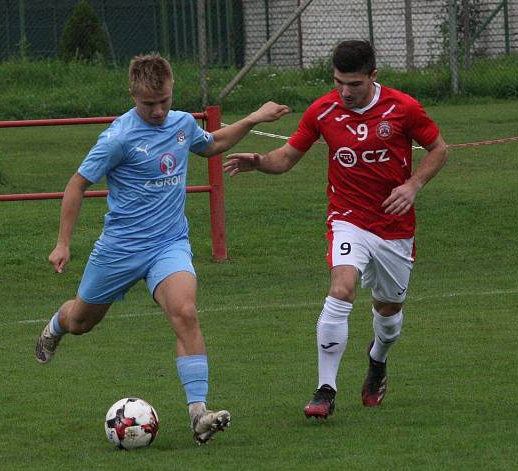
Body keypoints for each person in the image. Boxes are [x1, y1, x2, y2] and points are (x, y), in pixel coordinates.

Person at [35, 53, 290, 443]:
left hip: (169, 244)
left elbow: (214, 143)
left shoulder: (183, 123)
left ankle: (198, 414)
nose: (157, 111)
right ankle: (56, 325)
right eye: (148, 104)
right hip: (119, 249)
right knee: (81, 323)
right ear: (133, 95)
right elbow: (76, 184)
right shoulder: (117, 138)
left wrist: (254, 117)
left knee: (185, 311)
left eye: (164, 101)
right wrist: (62, 243)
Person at [223, 40, 448, 418]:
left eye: (354, 84)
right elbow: (287, 158)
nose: (344, 91)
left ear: (373, 77)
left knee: (388, 313)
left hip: (394, 227)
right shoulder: (323, 111)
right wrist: (259, 161)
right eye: (338, 82)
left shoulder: (404, 108)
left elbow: (440, 149)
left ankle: (377, 360)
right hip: (347, 219)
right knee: (341, 287)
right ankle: (325, 389)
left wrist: (412, 186)